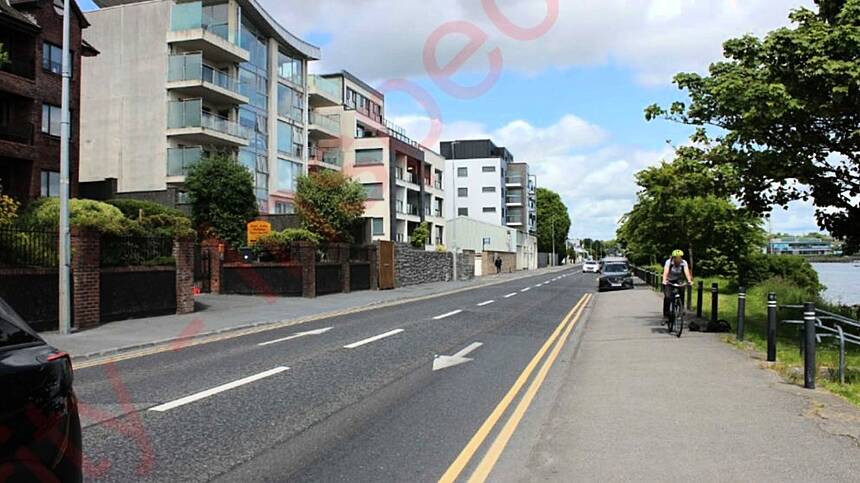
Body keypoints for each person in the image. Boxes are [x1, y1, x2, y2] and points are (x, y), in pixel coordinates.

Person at [663, 249, 694, 322]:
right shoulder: (669, 262)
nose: (678, 259)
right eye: (676, 258)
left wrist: (689, 280)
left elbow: (686, 272)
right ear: (673, 258)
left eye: (680, 258)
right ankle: (666, 315)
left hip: (679, 279)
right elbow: (666, 271)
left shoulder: (684, 263)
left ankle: (681, 308)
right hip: (669, 279)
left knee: (682, 290)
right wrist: (664, 280)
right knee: (667, 297)